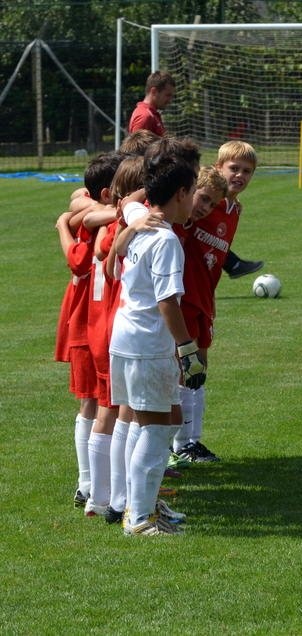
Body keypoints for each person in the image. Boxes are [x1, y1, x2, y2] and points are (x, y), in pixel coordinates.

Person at [109, 139, 205, 536]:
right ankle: (139, 518)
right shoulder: (165, 239)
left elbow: (126, 207)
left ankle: (140, 504)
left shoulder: (141, 220)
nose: (195, 200)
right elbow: (167, 301)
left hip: (127, 338)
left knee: (165, 419)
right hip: (147, 344)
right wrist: (188, 349)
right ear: (181, 193)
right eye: (193, 191)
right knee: (153, 425)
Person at [128, 71, 262, 278]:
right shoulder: (144, 116)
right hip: (177, 288)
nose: (239, 175)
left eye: (246, 171)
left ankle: (233, 264)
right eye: (234, 169)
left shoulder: (232, 208)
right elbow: (137, 153)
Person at [54, 152, 122, 509]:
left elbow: (80, 200)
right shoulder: (95, 220)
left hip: (102, 322)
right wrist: (65, 225)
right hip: (85, 322)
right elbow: (79, 261)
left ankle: (104, 483)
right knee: (91, 402)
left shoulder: (100, 212)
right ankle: (87, 483)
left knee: (106, 403)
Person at [171, 164, 230, 462]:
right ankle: (179, 444)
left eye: (212, 203)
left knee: (198, 371)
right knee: (180, 372)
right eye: (203, 198)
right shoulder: (175, 221)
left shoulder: (228, 213)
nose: (206, 207)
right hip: (182, 304)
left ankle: (190, 441)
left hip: (203, 302)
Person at [128, 71, 175, 137]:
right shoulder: (145, 116)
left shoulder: (151, 114)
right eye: (168, 95)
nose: (170, 100)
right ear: (154, 91)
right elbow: (136, 144)